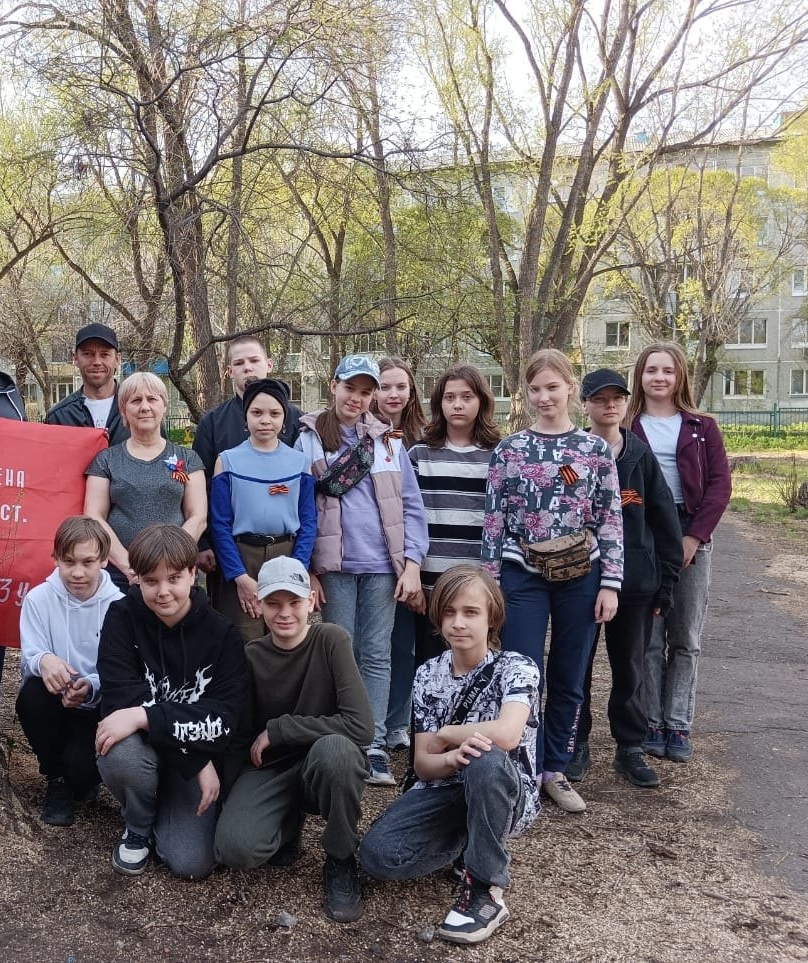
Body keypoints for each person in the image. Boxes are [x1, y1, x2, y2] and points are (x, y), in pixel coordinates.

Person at [359, 565, 540, 946]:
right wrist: (451, 758)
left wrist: (446, 735)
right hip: (445, 789)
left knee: (486, 757)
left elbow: (507, 735)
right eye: (449, 612)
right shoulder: (428, 674)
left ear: (492, 617)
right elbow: (423, 765)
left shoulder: (517, 669)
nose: (458, 623)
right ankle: (468, 844)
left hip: (506, 791)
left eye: (471, 612)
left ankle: (485, 890)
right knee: (377, 857)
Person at [482, 348, 623, 814]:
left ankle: (554, 768)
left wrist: (611, 583)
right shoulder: (511, 450)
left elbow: (609, 518)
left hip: (581, 576)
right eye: (536, 389)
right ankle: (521, 764)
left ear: (570, 388)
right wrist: (490, 581)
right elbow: (495, 520)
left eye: (553, 387)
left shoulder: (594, 450)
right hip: (523, 576)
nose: (545, 397)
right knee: (522, 672)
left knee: (570, 672)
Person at [214, 555, 373, 924]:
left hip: (324, 760)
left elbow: (361, 727)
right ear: (259, 606)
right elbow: (240, 737)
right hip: (272, 767)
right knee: (236, 848)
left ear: (311, 602)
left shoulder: (331, 639)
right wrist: (230, 796)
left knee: (337, 753)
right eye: (273, 603)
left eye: (294, 602)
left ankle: (340, 858)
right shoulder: (251, 656)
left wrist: (281, 729)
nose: (285, 613)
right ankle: (287, 827)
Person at [296, 354, 428, 787]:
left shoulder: (388, 441)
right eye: (350, 387)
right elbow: (301, 506)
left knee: (376, 653)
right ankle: (344, 736)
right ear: (334, 385)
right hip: (334, 566)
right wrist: (308, 569)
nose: (357, 397)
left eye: (366, 391)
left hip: (382, 567)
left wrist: (412, 563)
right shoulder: (310, 437)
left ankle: (371, 743)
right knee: (340, 651)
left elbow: (411, 504)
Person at [94, 525, 248, 879]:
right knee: (121, 749)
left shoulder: (223, 634)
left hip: (189, 753)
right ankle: (138, 823)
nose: (163, 592)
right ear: (137, 580)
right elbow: (121, 700)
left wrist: (148, 720)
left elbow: (223, 719)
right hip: (158, 749)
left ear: (193, 574)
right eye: (151, 581)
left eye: (174, 578)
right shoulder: (121, 617)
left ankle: (165, 803)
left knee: (192, 862)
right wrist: (194, 758)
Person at [571, 369, 682, 789]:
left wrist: (665, 584)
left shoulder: (639, 455)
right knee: (575, 664)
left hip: (635, 584)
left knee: (630, 668)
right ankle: (573, 742)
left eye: (617, 398)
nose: (609, 405)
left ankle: (630, 747)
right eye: (600, 398)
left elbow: (664, 522)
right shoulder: (574, 453)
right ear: (585, 403)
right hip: (579, 579)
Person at [626, 343, 731, 763]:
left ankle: (678, 723)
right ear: (641, 376)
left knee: (685, 636)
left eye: (668, 370)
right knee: (649, 637)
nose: (659, 377)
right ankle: (650, 720)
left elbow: (720, 487)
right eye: (651, 369)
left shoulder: (702, 427)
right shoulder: (628, 427)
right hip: (645, 533)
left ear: (680, 377)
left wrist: (693, 538)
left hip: (690, 532)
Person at [17, 515, 123, 826]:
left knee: (82, 775)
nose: (77, 572)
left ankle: (81, 776)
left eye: (87, 562)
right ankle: (55, 778)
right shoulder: (38, 599)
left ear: (104, 561)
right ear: (56, 559)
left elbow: (122, 672)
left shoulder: (118, 606)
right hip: (54, 700)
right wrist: (43, 660)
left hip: (96, 705)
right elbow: (29, 658)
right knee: (31, 696)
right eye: (68, 561)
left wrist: (91, 685)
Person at [407, 364, 501, 667]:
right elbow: (408, 518)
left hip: (477, 583)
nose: (457, 405)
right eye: (449, 398)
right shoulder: (419, 455)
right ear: (439, 403)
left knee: (477, 665)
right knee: (432, 665)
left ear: (482, 402)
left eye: (466, 397)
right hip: (430, 583)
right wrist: (414, 576)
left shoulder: (498, 455)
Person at [209, 377, 316, 639]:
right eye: (257, 413)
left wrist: (298, 566)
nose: (265, 420)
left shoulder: (300, 463)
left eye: (274, 413)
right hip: (242, 558)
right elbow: (220, 524)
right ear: (246, 417)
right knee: (245, 639)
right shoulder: (227, 461)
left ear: (284, 417)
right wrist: (240, 577)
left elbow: (309, 521)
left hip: (286, 554)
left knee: (285, 636)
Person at [193, 336, 302, 589]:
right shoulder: (213, 422)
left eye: (254, 360)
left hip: (286, 544)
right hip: (229, 547)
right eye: (239, 363)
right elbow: (201, 487)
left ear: (269, 364)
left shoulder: (296, 419)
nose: (248, 368)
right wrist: (203, 543)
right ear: (229, 371)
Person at [84, 372, 207, 591]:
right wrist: (130, 566)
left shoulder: (187, 459)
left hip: (175, 574)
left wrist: (169, 563)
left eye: (152, 399)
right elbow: (94, 516)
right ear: (123, 410)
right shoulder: (106, 460)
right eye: (135, 400)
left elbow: (198, 517)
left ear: (164, 406)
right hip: (122, 577)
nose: (145, 407)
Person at [374, 357, 427, 753]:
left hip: (417, 556)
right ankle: (371, 722)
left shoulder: (424, 438)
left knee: (407, 645)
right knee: (377, 645)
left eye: (401, 387)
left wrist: (414, 559)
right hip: (376, 557)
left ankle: (398, 722)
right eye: (385, 386)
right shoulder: (362, 435)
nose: (393, 394)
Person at [44, 322, 128, 443]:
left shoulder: (137, 410)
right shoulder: (59, 416)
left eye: (104, 354)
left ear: (117, 359)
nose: (97, 362)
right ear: (76, 359)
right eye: (88, 354)